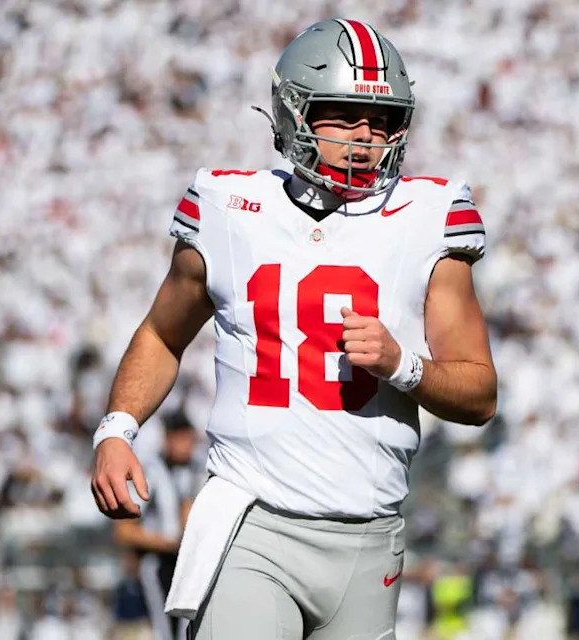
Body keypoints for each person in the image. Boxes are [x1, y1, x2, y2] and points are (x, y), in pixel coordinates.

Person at [91, 18, 497, 639]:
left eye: (382, 119)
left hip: (369, 535)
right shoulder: (229, 208)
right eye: (343, 114)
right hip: (252, 520)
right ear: (293, 112)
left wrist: (401, 365)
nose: (366, 136)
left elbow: (479, 395)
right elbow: (161, 334)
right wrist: (117, 429)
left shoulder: (429, 216)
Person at [112, 412, 198, 640]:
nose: (186, 446)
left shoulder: (195, 470)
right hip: (159, 562)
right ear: (168, 439)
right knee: (166, 630)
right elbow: (124, 530)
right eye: (181, 439)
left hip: (188, 562)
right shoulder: (152, 472)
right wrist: (167, 543)